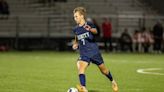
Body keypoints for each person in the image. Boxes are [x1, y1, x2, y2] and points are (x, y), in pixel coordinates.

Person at [72, 7, 118, 92]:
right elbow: (76, 38)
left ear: (82, 16)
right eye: (74, 17)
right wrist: (75, 44)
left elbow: (96, 31)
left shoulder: (89, 24)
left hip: (94, 52)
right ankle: (84, 88)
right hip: (84, 53)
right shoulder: (75, 29)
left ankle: (113, 81)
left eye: (76, 16)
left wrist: (89, 29)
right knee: (80, 67)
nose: (75, 18)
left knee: (104, 71)